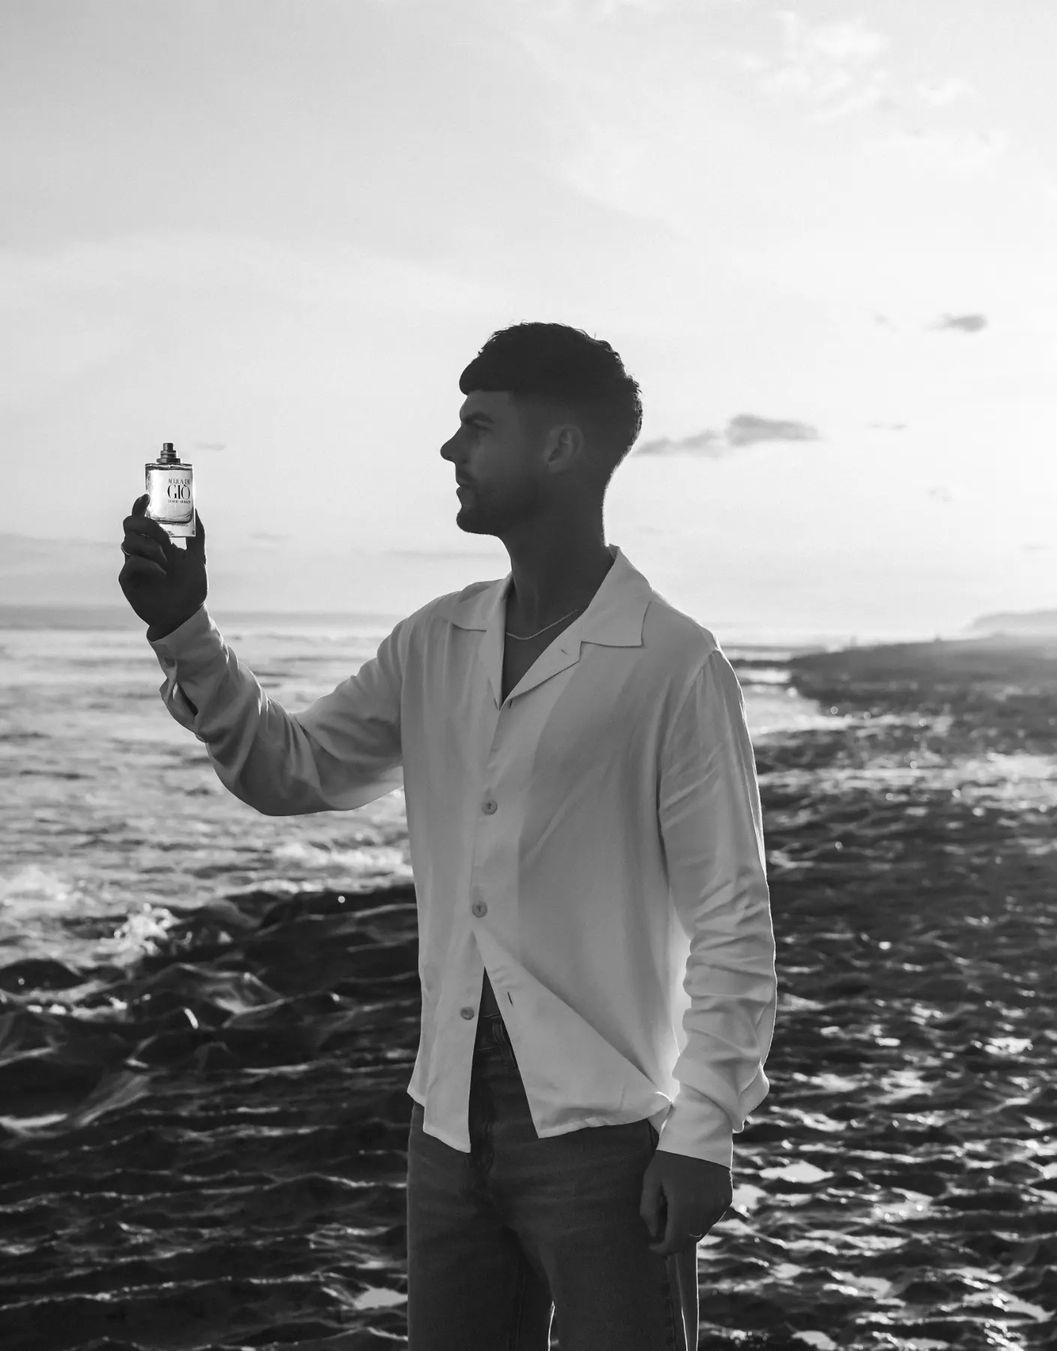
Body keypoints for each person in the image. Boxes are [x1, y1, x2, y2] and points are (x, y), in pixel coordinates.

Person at [118, 321, 777, 1351]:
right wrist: (183, 629)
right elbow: (292, 768)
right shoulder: (435, 639)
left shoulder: (674, 666)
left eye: (478, 426)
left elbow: (733, 920)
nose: (449, 448)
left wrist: (704, 1132)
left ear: (559, 447)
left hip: (607, 1136)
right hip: (447, 1129)